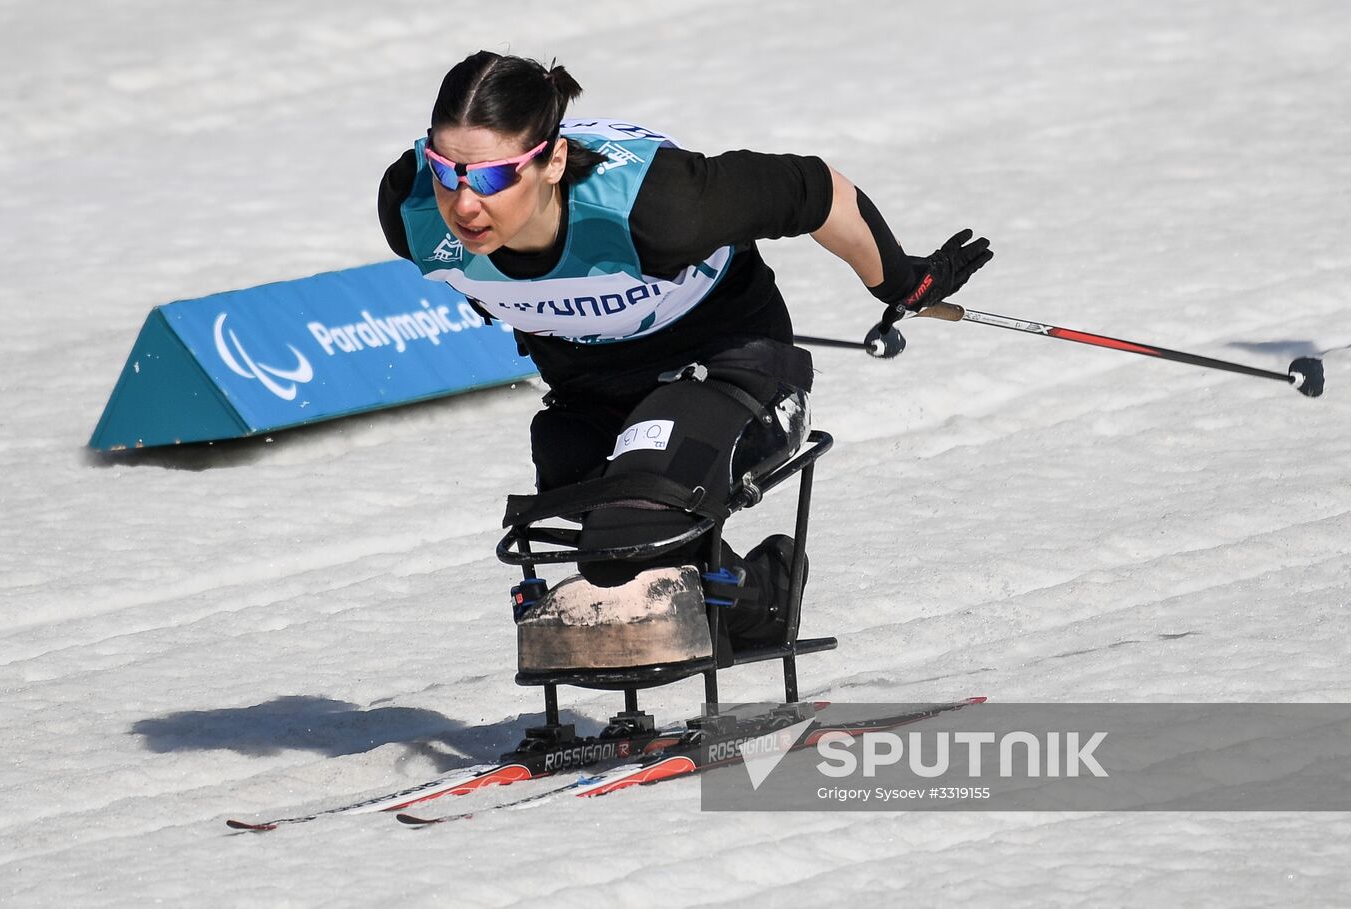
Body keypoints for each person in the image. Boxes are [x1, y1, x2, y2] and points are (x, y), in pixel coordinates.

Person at [378, 51, 991, 651]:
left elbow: (813, 188)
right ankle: (747, 603)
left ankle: (768, 588)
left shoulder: (656, 209)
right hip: (595, 391)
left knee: (636, 521)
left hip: (732, 366)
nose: (462, 203)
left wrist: (901, 282)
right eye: (444, 169)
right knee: (596, 538)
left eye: (490, 176)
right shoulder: (412, 212)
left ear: (554, 159)